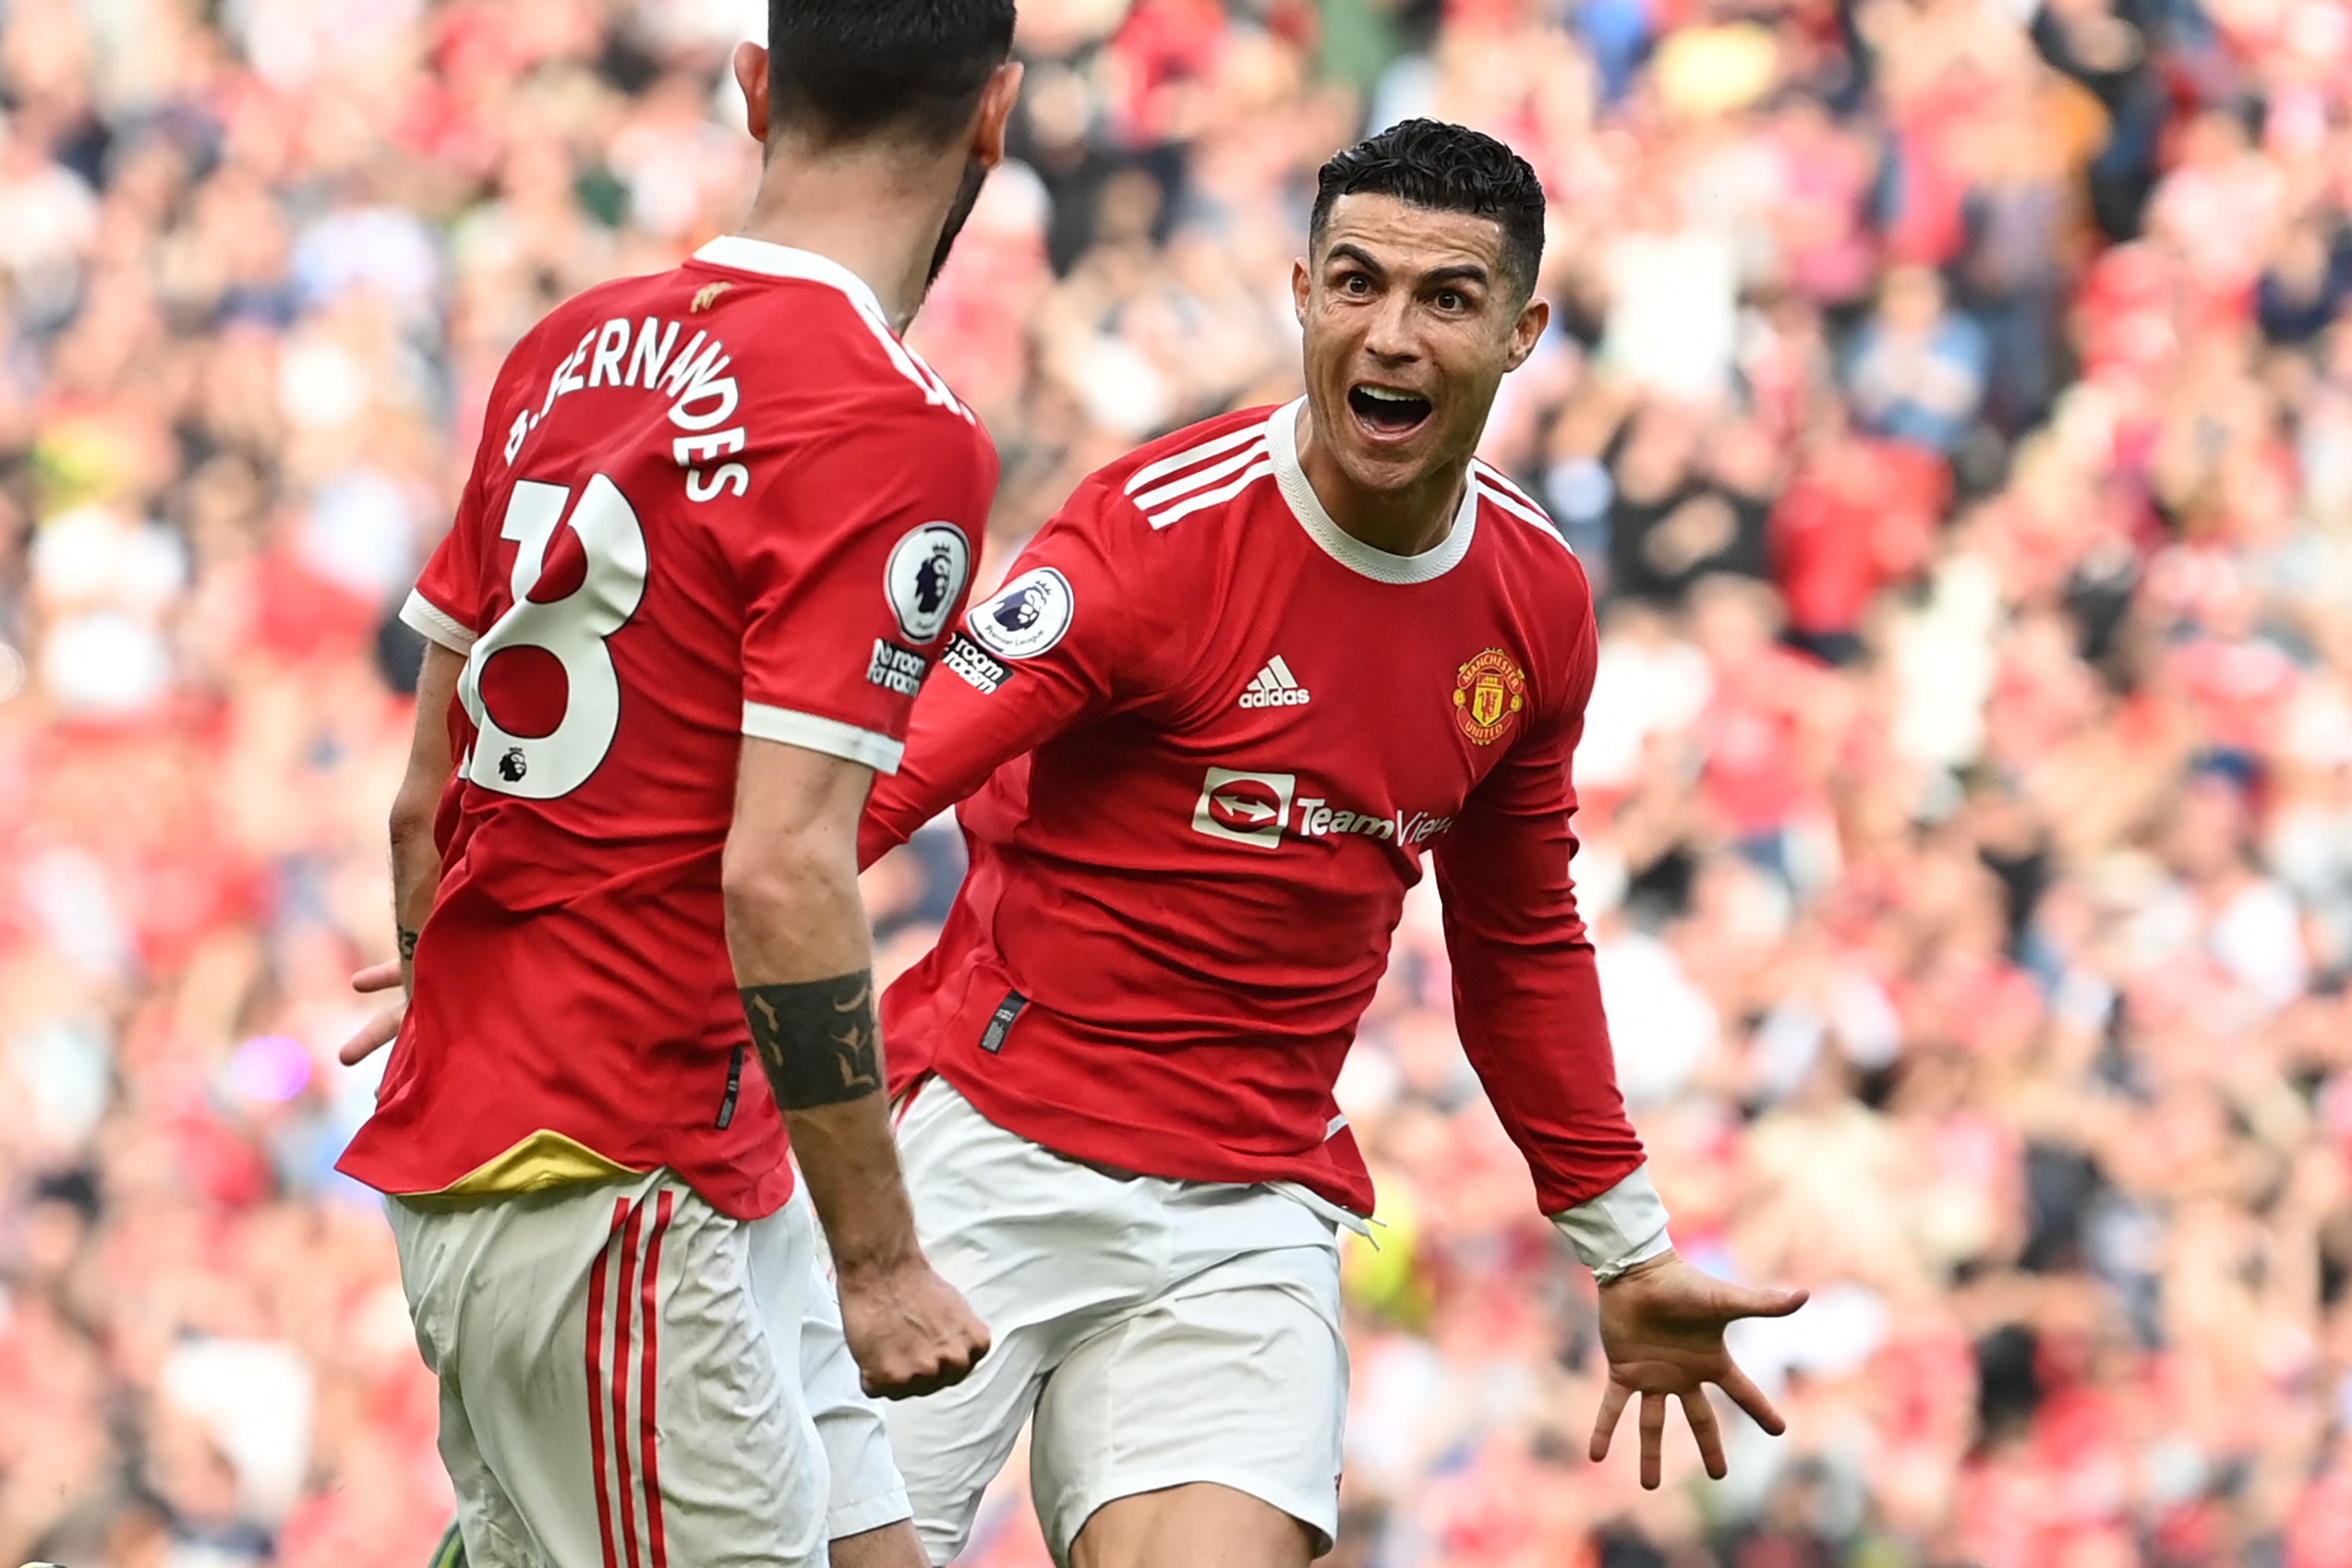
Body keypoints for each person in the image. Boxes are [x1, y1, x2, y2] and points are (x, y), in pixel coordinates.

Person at [844, 119, 1809, 1567]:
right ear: (1302, 294)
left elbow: (1520, 939)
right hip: (987, 1150)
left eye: (1447, 299)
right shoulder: (1152, 536)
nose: (1393, 334)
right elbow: (869, 793)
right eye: (1357, 284)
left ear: (1523, 331)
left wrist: (1626, 1244)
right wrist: (575, 933)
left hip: (1246, 1209)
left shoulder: (1534, 599)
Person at [332, 6, 1016, 1567]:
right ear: (995, 117)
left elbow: (420, 791)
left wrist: (459, 989)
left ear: (756, 83)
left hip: (553, 1154)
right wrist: (883, 1263)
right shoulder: (892, 428)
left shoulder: (563, 350)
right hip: (615, 1178)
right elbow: (781, 870)